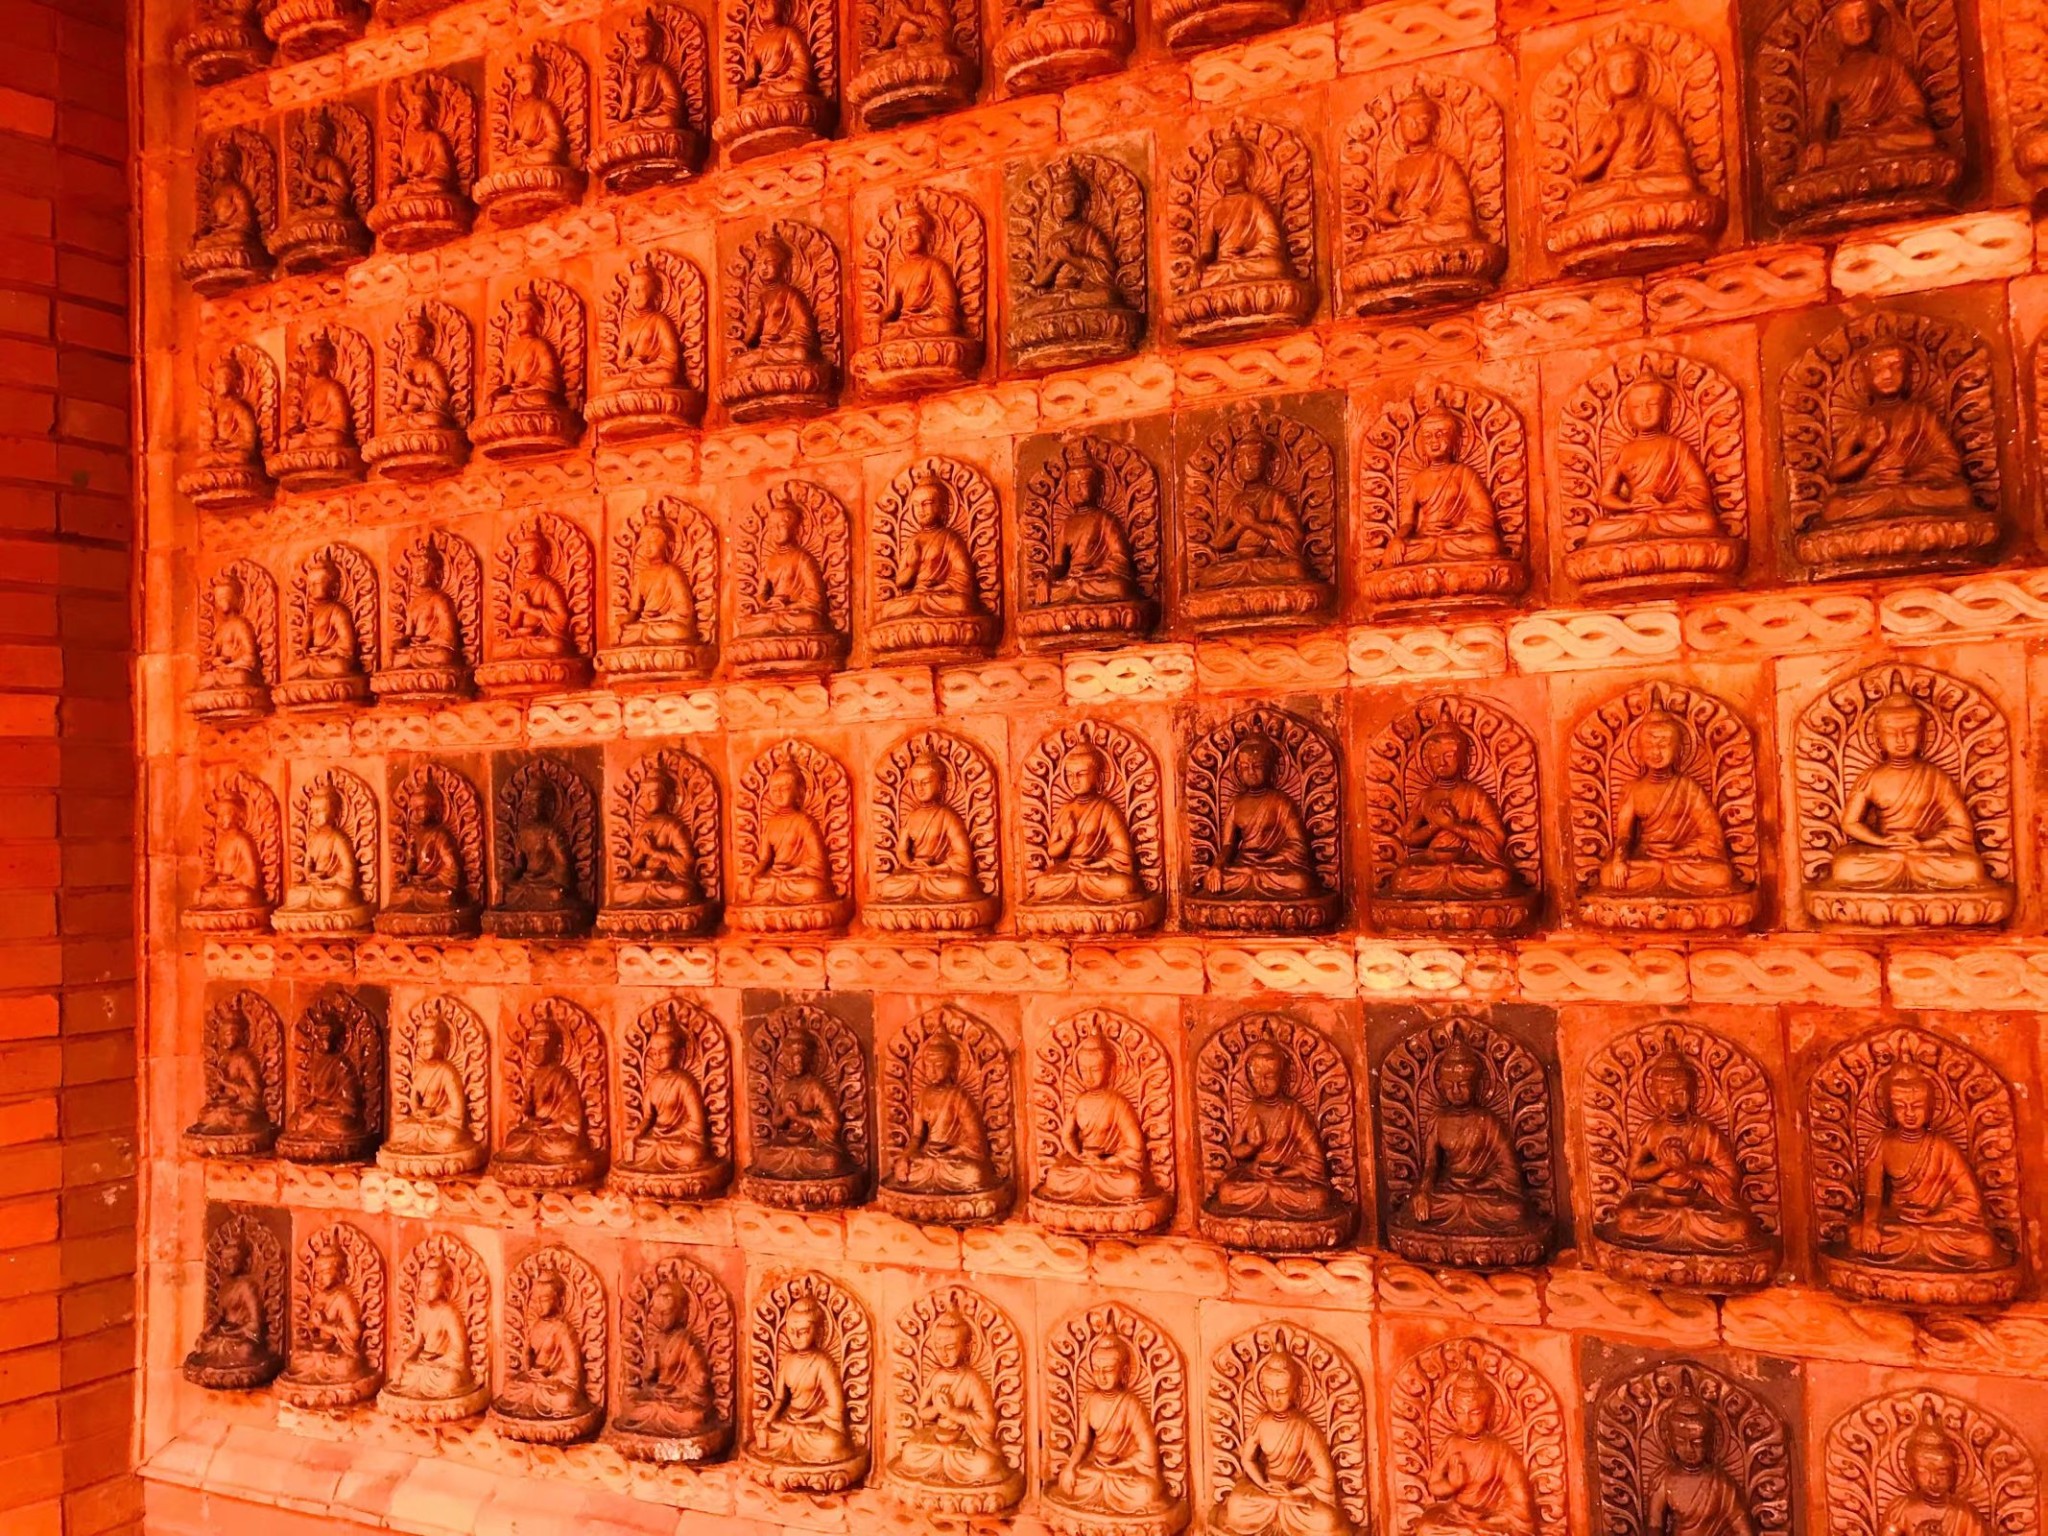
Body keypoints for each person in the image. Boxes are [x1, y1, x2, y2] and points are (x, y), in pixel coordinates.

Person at [1847, 1061, 2010, 1272]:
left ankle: (1914, 1250)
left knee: (1982, 1244)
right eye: (1900, 1106)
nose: (1909, 1113)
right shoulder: (1881, 1144)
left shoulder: (1943, 1147)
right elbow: (1873, 1195)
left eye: (1917, 1106)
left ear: (1929, 1106)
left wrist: (1934, 1218)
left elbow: (1971, 1201)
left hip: (1937, 1226)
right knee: (1855, 1234)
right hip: (1899, 1221)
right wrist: (1870, 1226)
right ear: (1889, 1108)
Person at [1821, 688, 1987, 893]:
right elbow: (1850, 823)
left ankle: (1909, 869)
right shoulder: (1870, 777)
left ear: (1922, 736)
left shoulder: (1937, 777)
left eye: (1909, 731)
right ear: (1878, 738)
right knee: (1844, 865)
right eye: (1891, 733)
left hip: (1924, 854)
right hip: (1886, 853)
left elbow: (1961, 829)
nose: (1901, 739)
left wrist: (1924, 845)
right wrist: (1882, 841)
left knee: (1971, 868)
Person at [1607, 1047, 1764, 1256]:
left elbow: (1731, 1178)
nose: (1672, 1101)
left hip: (1698, 1204)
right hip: (1660, 1203)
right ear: (1654, 1095)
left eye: (1679, 1093)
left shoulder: (1706, 1131)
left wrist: (1687, 1168)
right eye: (1664, 1094)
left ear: (1693, 1094)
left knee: (1739, 1227)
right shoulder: (1649, 1130)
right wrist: (1664, 1165)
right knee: (1627, 1216)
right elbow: (1633, 1172)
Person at [1595, 711, 1741, 899]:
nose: (1656, 752)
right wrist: (1619, 860)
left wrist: (1679, 853)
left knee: (1721, 875)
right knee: (1607, 874)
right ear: (1639, 750)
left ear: (1678, 749)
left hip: (1681, 861)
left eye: (1663, 745)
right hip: (1647, 860)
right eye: (1649, 746)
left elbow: (1713, 836)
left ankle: (1663, 871)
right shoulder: (1632, 789)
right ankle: (1658, 871)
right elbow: (1624, 835)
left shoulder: (1689, 787)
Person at [1823, 342, 1971, 524]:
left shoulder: (1921, 413)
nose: (1887, 375)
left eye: (1896, 367)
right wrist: (1868, 453)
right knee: (1834, 508)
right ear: (1865, 379)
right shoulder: (1861, 421)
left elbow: (1951, 461)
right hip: (1874, 492)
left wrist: (1912, 478)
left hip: (1914, 489)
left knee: (1962, 496)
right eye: (1878, 369)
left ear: (1908, 375)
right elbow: (1836, 473)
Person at [1399, 1034, 1530, 1240]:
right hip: (1449, 1191)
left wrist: (1480, 1184)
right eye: (1450, 1085)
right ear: (1441, 1085)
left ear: (1476, 1084)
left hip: (1483, 1192)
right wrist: (1423, 1192)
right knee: (1414, 1206)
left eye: (1463, 1084)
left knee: (1515, 1211)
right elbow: (1431, 1165)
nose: (1456, 1091)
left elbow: (1509, 1171)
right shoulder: (1438, 1120)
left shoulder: (1488, 1120)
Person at [1207, 1041, 1343, 1226]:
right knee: (1227, 1191)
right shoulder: (1249, 1110)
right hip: (1256, 1177)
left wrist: (1285, 1173)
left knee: (1318, 1198)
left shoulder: (1295, 1111)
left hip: (1287, 1180)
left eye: (1269, 1077)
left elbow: (1315, 1161)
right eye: (1256, 1077)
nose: (1262, 1084)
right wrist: (1253, 1146)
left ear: (1283, 1077)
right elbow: (1235, 1150)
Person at [1216, 1351, 1351, 1536]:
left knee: (1327, 1520)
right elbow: (1248, 1459)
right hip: (1267, 1495)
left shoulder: (1305, 1428)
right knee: (1236, 1505)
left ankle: (1280, 1515)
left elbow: (1326, 1477)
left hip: (1294, 1499)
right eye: (1269, 1392)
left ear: (1295, 1391)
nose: (1275, 1399)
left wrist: (1294, 1493)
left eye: (1281, 1392)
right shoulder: (1261, 1423)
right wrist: (1263, 1484)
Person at [1800, 0, 1939, 171]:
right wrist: (1818, 143)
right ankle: (1865, 149)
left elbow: (1916, 106)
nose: (1857, 27)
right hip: (1850, 141)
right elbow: (1818, 126)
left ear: (1874, 24)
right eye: (1848, 23)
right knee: (1808, 160)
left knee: (1927, 138)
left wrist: (1893, 123)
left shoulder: (1890, 66)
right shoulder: (1831, 78)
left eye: (1863, 19)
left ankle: (1868, 148)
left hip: (1886, 134)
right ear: (1836, 31)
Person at [1567, 44, 1703, 216]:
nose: (1620, 75)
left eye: (1628, 67)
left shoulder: (1656, 113)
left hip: (1644, 181)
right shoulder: (1605, 121)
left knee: (1683, 184)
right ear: (1605, 80)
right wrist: (1608, 149)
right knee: (1576, 202)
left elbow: (1676, 155)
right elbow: (1581, 172)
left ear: (1643, 75)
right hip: (1614, 186)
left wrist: (1641, 173)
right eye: (1613, 70)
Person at [1387, 724, 1518, 901]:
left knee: (1499, 878)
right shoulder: (1425, 796)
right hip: (1432, 865)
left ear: (1463, 759)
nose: (1442, 763)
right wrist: (1434, 826)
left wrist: (1453, 826)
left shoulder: (1474, 794)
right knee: (1401, 879)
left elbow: (1497, 837)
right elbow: (1408, 837)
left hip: (1466, 864)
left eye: (1449, 755)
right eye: (1435, 757)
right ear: (1427, 761)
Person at [1585, 379, 1721, 546]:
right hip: (1634, 517)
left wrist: (1665, 507)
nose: (1645, 411)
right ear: (1627, 414)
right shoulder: (1623, 451)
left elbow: (1699, 491)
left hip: (1668, 516)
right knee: (1597, 530)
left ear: (1666, 410)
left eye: (1652, 404)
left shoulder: (1678, 446)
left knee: (1705, 522)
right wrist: (1629, 506)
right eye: (1636, 406)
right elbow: (1605, 496)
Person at [1412, 1368, 1538, 1536]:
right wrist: (1452, 1485)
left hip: (1490, 1520)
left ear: (1489, 1412)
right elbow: (1434, 1485)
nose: (1467, 1420)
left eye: (1475, 1413)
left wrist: (1492, 1522)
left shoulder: (1501, 1451)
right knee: (1426, 1528)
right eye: (1460, 1412)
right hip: (1457, 1515)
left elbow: (1520, 1499)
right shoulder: (1451, 1444)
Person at [1037, 1028, 1156, 1207]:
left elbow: (1135, 1146)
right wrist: (1078, 1156)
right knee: (1055, 1176)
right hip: (1084, 1165)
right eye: (1084, 1070)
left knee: (1132, 1184)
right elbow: (1067, 1135)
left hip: (1109, 1167)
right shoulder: (1079, 1101)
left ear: (1110, 1070)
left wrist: (1106, 1162)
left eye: (1095, 1070)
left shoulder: (1118, 1102)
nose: (1089, 1076)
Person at [894, 1311, 1012, 1490]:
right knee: (910, 1452)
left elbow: (988, 1423)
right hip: (937, 1441)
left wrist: (952, 1412)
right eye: (938, 1347)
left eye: (950, 1347)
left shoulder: (973, 1380)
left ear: (967, 1348)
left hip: (964, 1443)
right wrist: (937, 1409)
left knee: (985, 1464)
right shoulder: (936, 1375)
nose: (943, 1354)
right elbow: (922, 1412)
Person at [1056, 1334, 1172, 1516]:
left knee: (1146, 1492)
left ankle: (1106, 1491)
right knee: (1068, 1479)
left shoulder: (1132, 1404)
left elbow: (1148, 1452)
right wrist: (1070, 1467)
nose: (1101, 1377)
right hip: (1096, 1470)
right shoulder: (1089, 1400)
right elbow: (1083, 1442)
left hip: (1123, 1473)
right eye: (1096, 1370)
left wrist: (1119, 1467)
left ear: (1124, 1372)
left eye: (1108, 1370)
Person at [1202, 736, 1322, 899]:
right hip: (1243, 867)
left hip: (1273, 867)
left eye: (1257, 766)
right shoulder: (1236, 803)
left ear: (1270, 769)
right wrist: (1217, 866)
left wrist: (1265, 864)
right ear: (1238, 770)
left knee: (1302, 882)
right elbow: (1228, 845)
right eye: (1245, 767)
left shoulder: (1281, 801)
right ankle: (1248, 878)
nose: (1251, 772)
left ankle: (1253, 877)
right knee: (1211, 881)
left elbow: (1298, 845)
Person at [1362, 94, 1483, 255]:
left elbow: (1461, 203)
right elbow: (1380, 211)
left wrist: (1430, 219)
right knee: (1371, 244)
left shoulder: (1444, 162)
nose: (1414, 125)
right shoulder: (1396, 168)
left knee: (1464, 230)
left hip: (1435, 226)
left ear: (1434, 127)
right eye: (1408, 122)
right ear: (1400, 128)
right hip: (1407, 228)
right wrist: (1399, 220)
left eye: (1422, 120)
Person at [889, 1029, 995, 1195]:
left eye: (938, 1065)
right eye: (928, 1066)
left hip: (953, 1158)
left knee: (974, 1174)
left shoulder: (959, 1096)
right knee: (908, 1169)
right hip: (929, 1158)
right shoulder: (923, 1095)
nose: (932, 1070)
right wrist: (905, 1157)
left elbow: (975, 1140)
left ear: (952, 1066)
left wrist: (949, 1153)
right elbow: (917, 1136)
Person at [1035, 744, 1145, 905]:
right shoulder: (1066, 810)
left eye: (1081, 774)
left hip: (1096, 873)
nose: (1074, 780)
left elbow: (1123, 852)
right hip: (1070, 872)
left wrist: (1097, 865)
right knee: (1041, 885)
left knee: (1124, 886)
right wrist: (1066, 841)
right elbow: (1052, 851)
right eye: (1070, 775)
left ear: (1098, 777)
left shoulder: (1107, 809)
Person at [872, 750, 983, 904]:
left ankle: (922, 887)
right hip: (915, 874)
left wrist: (936, 868)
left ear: (941, 786)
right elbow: (902, 850)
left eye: (925, 782)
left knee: (961, 886)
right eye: (915, 783)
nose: (920, 788)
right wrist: (910, 864)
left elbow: (963, 856)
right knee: (887, 885)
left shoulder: (948, 816)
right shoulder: (912, 816)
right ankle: (917, 887)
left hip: (939, 874)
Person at [1394, 409, 1503, 564]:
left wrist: (1458, 529)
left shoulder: (1465, 473)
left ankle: (1438, 548)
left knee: (1490, 545)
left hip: (1455, 538)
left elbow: (1484, 514)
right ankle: (1434, 548)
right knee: (1392, 556)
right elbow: (1407, 523)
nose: (1434, 440)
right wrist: (1398, 539)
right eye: (1428, 436)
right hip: (1425, 541)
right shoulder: (1416, 480)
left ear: (1453, 440)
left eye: (1440, 434)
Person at [758, 1296, 855, 1466]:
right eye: (791, 1331)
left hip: (814, 1425)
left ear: (818, 1332)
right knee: (765, 1433)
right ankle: (790, 1439)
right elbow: (780, 1399)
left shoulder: (823, 1363)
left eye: (803, 1331)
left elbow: (836, 1407)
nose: (796, 1336)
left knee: (833, 1444)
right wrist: (766, 1421)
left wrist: (811, 1420)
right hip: (789, 1422)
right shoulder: (787, 1359)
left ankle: (798, 1443)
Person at [754, 1028, 855, 1181]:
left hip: (813, 1143)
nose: (797, 1062)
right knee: (762, 1155)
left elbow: (833, 1124)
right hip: (789, 1142)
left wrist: (799, 1116)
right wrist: (786, 1115)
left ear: (810, 1060)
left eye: (800, 1057)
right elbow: (776, 1122)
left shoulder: (816, 1086)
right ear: (786, 1060)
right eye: (792, 1058)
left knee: (831, 1160)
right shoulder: (785, 1087)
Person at [1647, 1395, 1755, 1536]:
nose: (1689, 1449)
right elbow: (1654, 1525)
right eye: (1680, 1442)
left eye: (1697, 1443)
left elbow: (1742, 1529)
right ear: (1670, 1440)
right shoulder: (1664, 1480)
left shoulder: (1722, 1484)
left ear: (1710, 1442)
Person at [496, 1271, 593, 1421]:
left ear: (560, 1301)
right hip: (536, 1381)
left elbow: (574, 1370)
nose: (539, 1305)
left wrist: (549, 1379)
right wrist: (529, 1366)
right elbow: (528, 1358)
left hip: (555, 1385)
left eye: (545, 1299)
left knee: (566, 1400)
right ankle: (533, 1397)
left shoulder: (564, 1329)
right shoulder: (535, 1325)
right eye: (536, 1300)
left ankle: (536, 1399)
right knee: (509, 1388)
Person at [881, 478, 982, 621]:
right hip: (916, 597)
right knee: (888, 609)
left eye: (926, 504)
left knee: (962, 604)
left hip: (940, 596)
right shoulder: (913, 541)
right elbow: (901, 582)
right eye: (916, 505)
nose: (920, 510)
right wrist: (913, 567)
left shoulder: (950, 538)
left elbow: (964, 578)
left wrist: (936, 589)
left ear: (943, 508)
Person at [1196, 135, 1292, 286]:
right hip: (1222, 267)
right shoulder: (1215, 209)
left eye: (1233, 162)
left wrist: (1247, 255)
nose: (1227, 168)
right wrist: (1198, 266)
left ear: (1248, 170)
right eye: (1221, 164)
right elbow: (1207, 253)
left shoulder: (1256, 202)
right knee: (1202, 279)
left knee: (1276, 267)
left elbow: (1272, 239)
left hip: (1248, 262)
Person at [624, 1019, 715, 1173]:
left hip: (679, 1141)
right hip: (657, 1139)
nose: (657, 1057)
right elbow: (648, 1118)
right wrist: (634, 1136)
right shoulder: (653, 1083)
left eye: (663, 1051)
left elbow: (697, 1124)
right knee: (635, 1149)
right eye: (653, 1053)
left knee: (694, 1154)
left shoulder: (685, 1082)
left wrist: (671, 1135)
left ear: (680, 1053)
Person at [1877, 1413, 1992, 1536]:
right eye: (1923, 1472)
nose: (1933, 1480)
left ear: (1954, 1473)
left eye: (1942, 1473)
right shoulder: (1900, 1510)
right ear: (1912, 1472)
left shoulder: (1967, 1516)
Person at [498, 1021, 594, 1167]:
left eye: (541, 1046)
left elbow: (573, 1120)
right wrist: (530, 1115)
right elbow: (528, 1111)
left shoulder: (562, 1075)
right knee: (513, 1139)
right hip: (537, 1132)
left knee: (568, 1146)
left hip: (557, 1132)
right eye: (532, 1046)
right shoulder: (534, 1076)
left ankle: (539, 1150)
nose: (535, 1051)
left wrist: (550, 1124)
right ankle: (534, 1149)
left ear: (556, 1050)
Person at [1046, 460, 1140, 604]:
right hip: (1072, 581)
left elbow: (1120, 558)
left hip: (1097, 579)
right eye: (1072, 485)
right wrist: (1047, 580)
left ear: (1098, 489)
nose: (1077, 489)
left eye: (1082, 484)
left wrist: (1094, 572)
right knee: (1048, 592)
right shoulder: (1066, 524)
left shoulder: (1106, 519)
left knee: (1120, 588)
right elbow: (1059, 565)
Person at [748, 762, 839, 907]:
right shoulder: (770, 823)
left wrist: (792, 873)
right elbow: (764, 859)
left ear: (799, 792)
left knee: (815, 889)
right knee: (749, 890)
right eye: (774, 789)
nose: (778, 793)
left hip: (797, 878)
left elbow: (818, 861)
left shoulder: (805, 821)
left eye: (784, 788)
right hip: (775, 879)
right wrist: (752, 876)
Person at [387, 1255, 475, 1402]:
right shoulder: (422, 1311)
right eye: (423, 1285)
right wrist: (403, 1361)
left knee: (451, 1380)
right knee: (403, 1371)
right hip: (424, 1365)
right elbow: (417, 1344)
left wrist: (436, 1363)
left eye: (431, 1285)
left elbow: (459, 1351)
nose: (425, 1290)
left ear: (447, 1286)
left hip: (442, 1366)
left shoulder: (450, 1313)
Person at [878, 207, 964, 342]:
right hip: (903, 323)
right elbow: (891, 309)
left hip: (928, 321)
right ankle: (902, 330)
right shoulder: (900, 272)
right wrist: (878, 321)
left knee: (946, 325)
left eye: (913, 231)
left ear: (926, 236)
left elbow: (948, 304)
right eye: (903, 233)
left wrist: (924, 315)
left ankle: (906, 330)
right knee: (879, 333)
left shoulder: (936, 266)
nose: (907, 236)